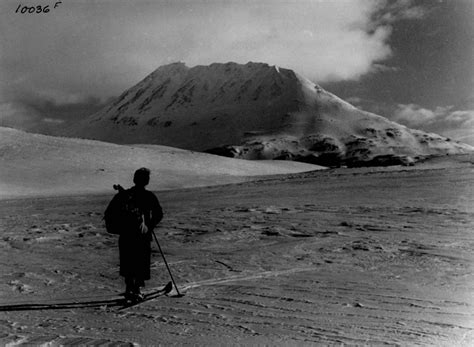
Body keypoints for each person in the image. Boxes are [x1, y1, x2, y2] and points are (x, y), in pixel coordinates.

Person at [118, 168, 163, 302]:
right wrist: (149, 225)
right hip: (142, 236)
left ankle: (129, 288)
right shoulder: (149, 196)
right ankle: (136, 289)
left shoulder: (125, 194)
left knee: (128, 262)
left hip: (126, 235)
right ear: (146, 181)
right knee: (140, 262)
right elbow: (158, 214)